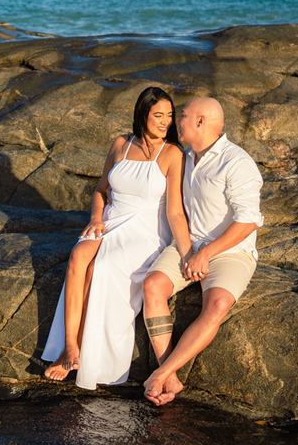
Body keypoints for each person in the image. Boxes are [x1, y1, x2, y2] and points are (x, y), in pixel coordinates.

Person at [40, 86, 193, 389]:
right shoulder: (121, 144)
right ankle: (69, 345)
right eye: (158, 115)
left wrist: (187, 251)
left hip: (146, 229)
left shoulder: (172, 153)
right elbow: (100, 190)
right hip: (111, 219)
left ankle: (84, 351)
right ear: (143, 114)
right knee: (78, 257)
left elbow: (175, 211)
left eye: (169, 115)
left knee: (101, 267)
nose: (165, 121)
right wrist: (96, 218)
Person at [141, 96, 264, 406]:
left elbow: (249, 221)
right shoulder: (184, 157)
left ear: (200, 121)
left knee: (217, 305)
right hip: (189, 244)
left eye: (182, 115)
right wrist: (188, 251)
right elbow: (175, 211)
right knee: (152, 285)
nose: (176, 121)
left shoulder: (237, 162)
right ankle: (170, 376)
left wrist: (206, 255)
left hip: (232, 251)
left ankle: (160, 374)